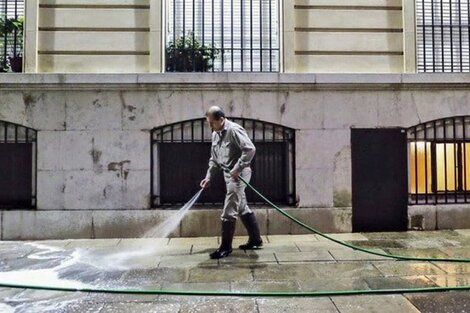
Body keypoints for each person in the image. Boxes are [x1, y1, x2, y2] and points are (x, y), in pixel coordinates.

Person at [200, 106, 263, 259]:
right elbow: (214, 160)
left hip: (239, 175)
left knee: (229, 208)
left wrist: (238, 167)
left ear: (221, 119)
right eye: (209, 123)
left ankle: (225, 248)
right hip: (228, 174)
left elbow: (250, 149)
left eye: (212, 123)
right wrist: (208, 177)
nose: (210, 126)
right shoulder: (215, 134)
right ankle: (256, 239)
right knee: (241, 206)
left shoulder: (234, 130)